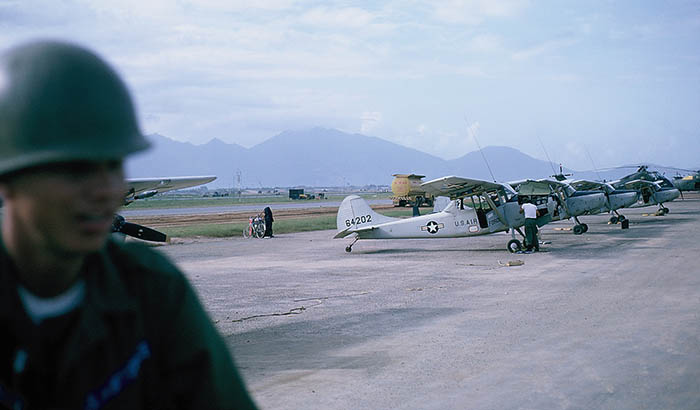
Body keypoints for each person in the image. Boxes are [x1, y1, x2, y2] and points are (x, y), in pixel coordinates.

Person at [0, 40, 258, 409]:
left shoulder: (152, 291)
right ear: (7, 178)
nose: (107, 191)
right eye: (76, 168)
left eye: (114, 164)